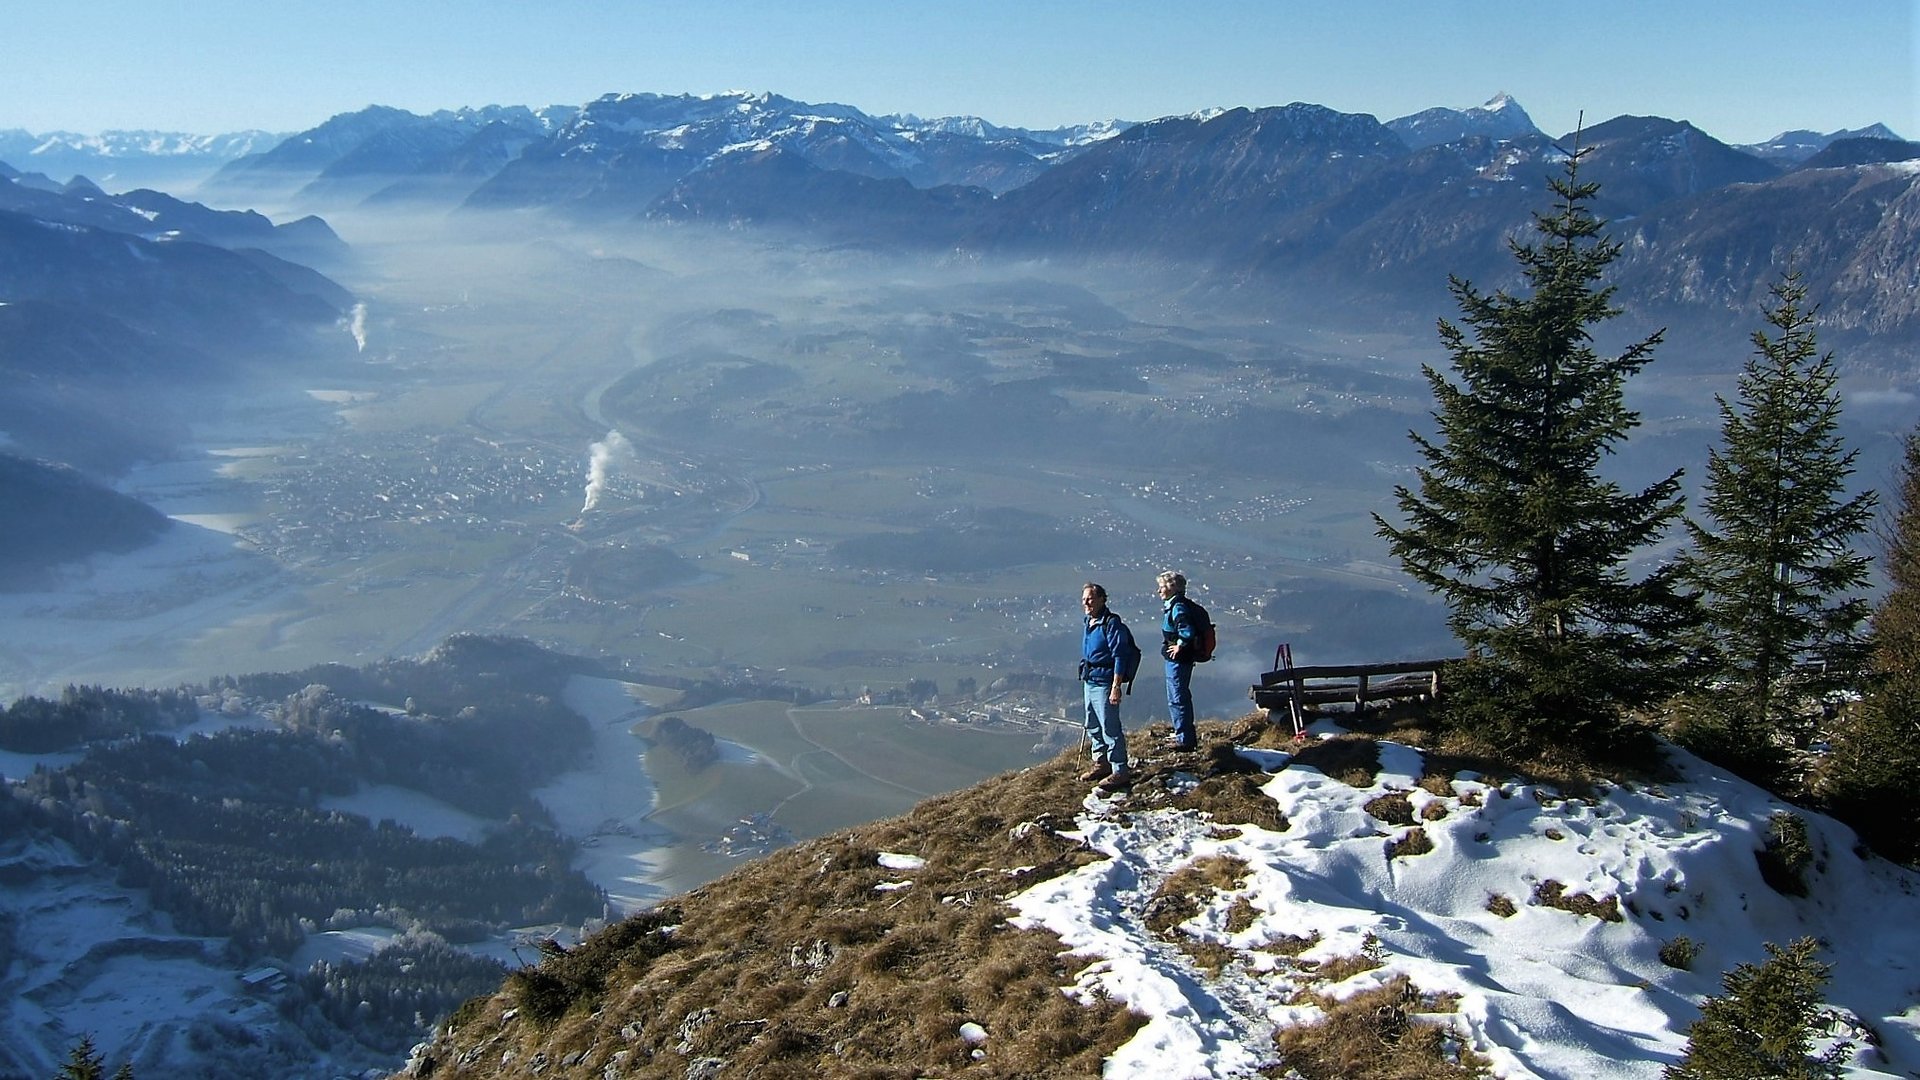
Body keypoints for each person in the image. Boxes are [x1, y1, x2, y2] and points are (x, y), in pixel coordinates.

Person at [1078, 582, 1134, 791]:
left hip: (1105, 682)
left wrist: (1116, 686)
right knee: (1092, 723)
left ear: (1102, 599)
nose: (1086, 602)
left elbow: (1120, 656)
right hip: (1090, 679)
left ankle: (1120, 771)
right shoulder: (1090, 621)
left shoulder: (1111, 624)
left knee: (1110, 727)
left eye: (1090, 598)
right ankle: (1101, 763)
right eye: (1084, 599)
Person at [1158, 570, 1199, 752]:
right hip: (1179, 659)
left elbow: (1186, 630)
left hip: (1178, 660)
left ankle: (1184, 739)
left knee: (1177, 697)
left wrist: (1180, 645)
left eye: (1161, 587)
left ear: (1172, 588)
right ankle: (1182, 734)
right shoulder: (1176, 604)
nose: (1158, 591)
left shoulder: (1178, 607)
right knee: (1178, 695)